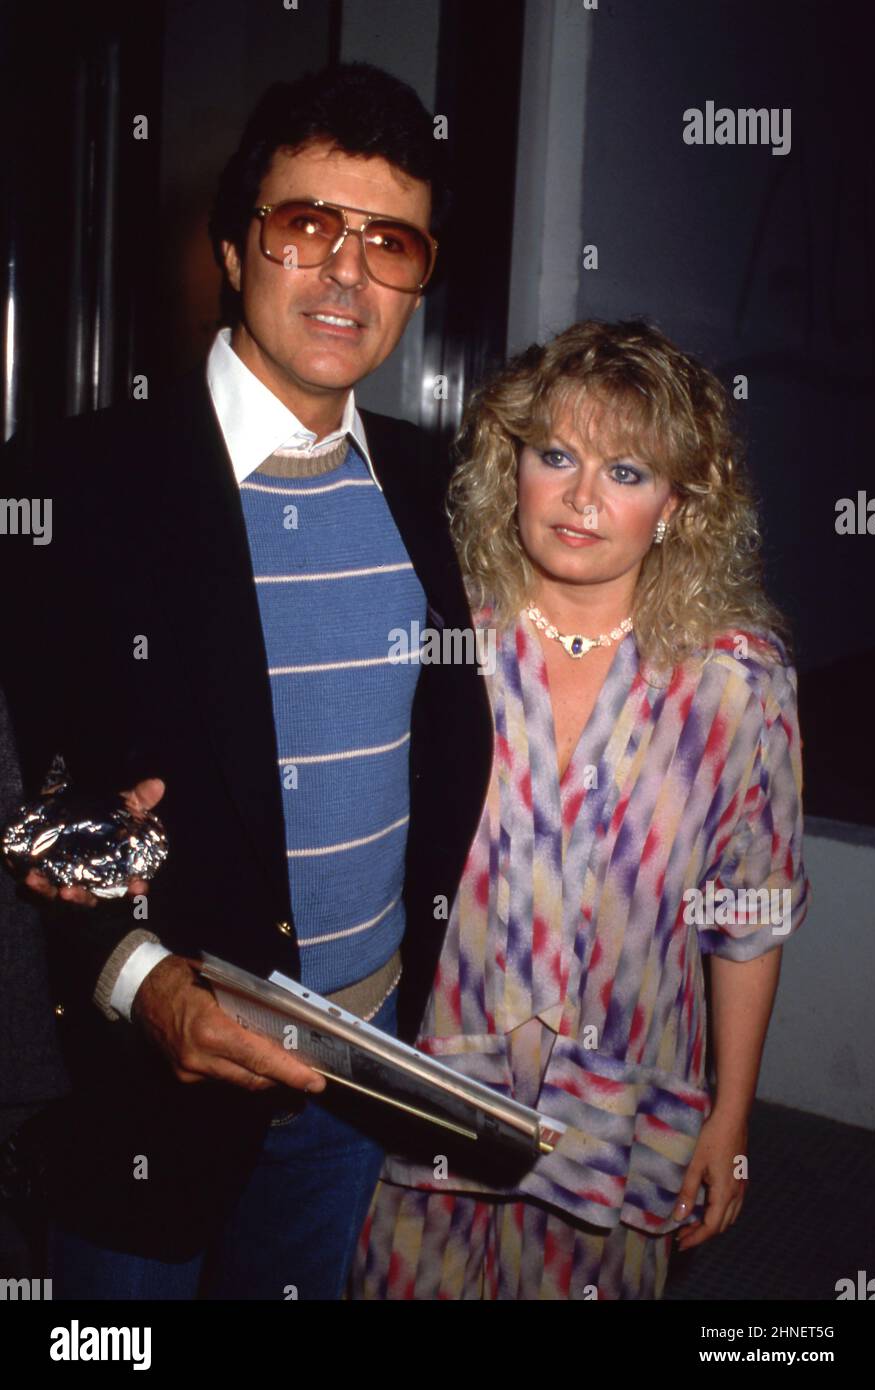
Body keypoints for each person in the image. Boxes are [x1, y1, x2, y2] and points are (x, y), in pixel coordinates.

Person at [0, 63, 493, 1299]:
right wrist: (138, 978)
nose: (347, 274)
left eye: (390, 242)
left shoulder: (443, 489)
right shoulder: (73, 485)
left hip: (361, 1059)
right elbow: (19, 786)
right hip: (153, 1065)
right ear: (232, 246)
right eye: (306, 226)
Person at [350, 318, 811, 1301]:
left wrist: (729, 1119)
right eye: (555, 456)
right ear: (509, 465)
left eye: (627, 471)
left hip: (618, 1111)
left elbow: (749, 917)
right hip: (434, 1092)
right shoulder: (440, 636)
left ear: (678, 504)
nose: (580, 498)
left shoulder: (735, 682)